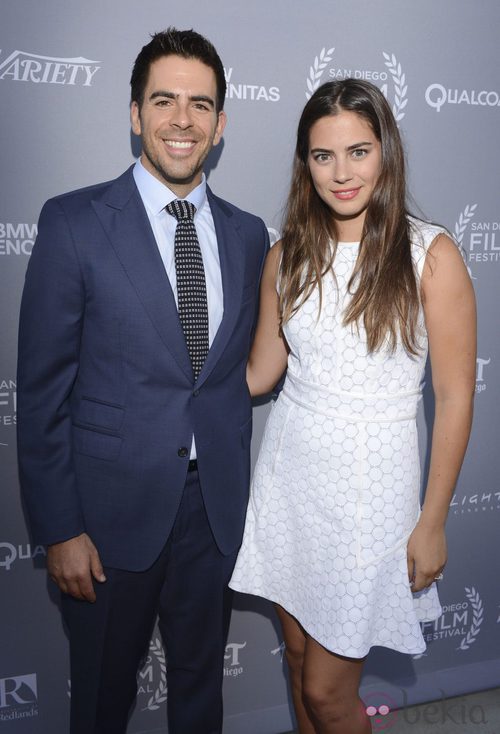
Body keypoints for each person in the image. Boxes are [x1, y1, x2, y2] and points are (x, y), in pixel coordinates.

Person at [17, 27, 268, 734]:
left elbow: (233, 373)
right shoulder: (73, 222)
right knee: (100, 701)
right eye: (164, 100)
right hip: (104, 520)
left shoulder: (250, 235)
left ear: (220, 124)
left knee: (199, 698)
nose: (181, 119)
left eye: (200, 104)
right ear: (135, 113)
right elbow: (40, 393)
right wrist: (60, 528)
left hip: (213, 514)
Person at [229, 79, 476, 734]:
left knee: (331, 695)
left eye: (358, 151)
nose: (341, 173)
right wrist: (167, 370)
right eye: (322, 155)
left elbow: (454, 397)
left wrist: (433, 520)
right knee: (301, 668)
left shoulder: (432, 256)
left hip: (371, 501)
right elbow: (259, 372)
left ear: (386, 152)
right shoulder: (287, 257)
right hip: (291, 486)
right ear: (304, 163)